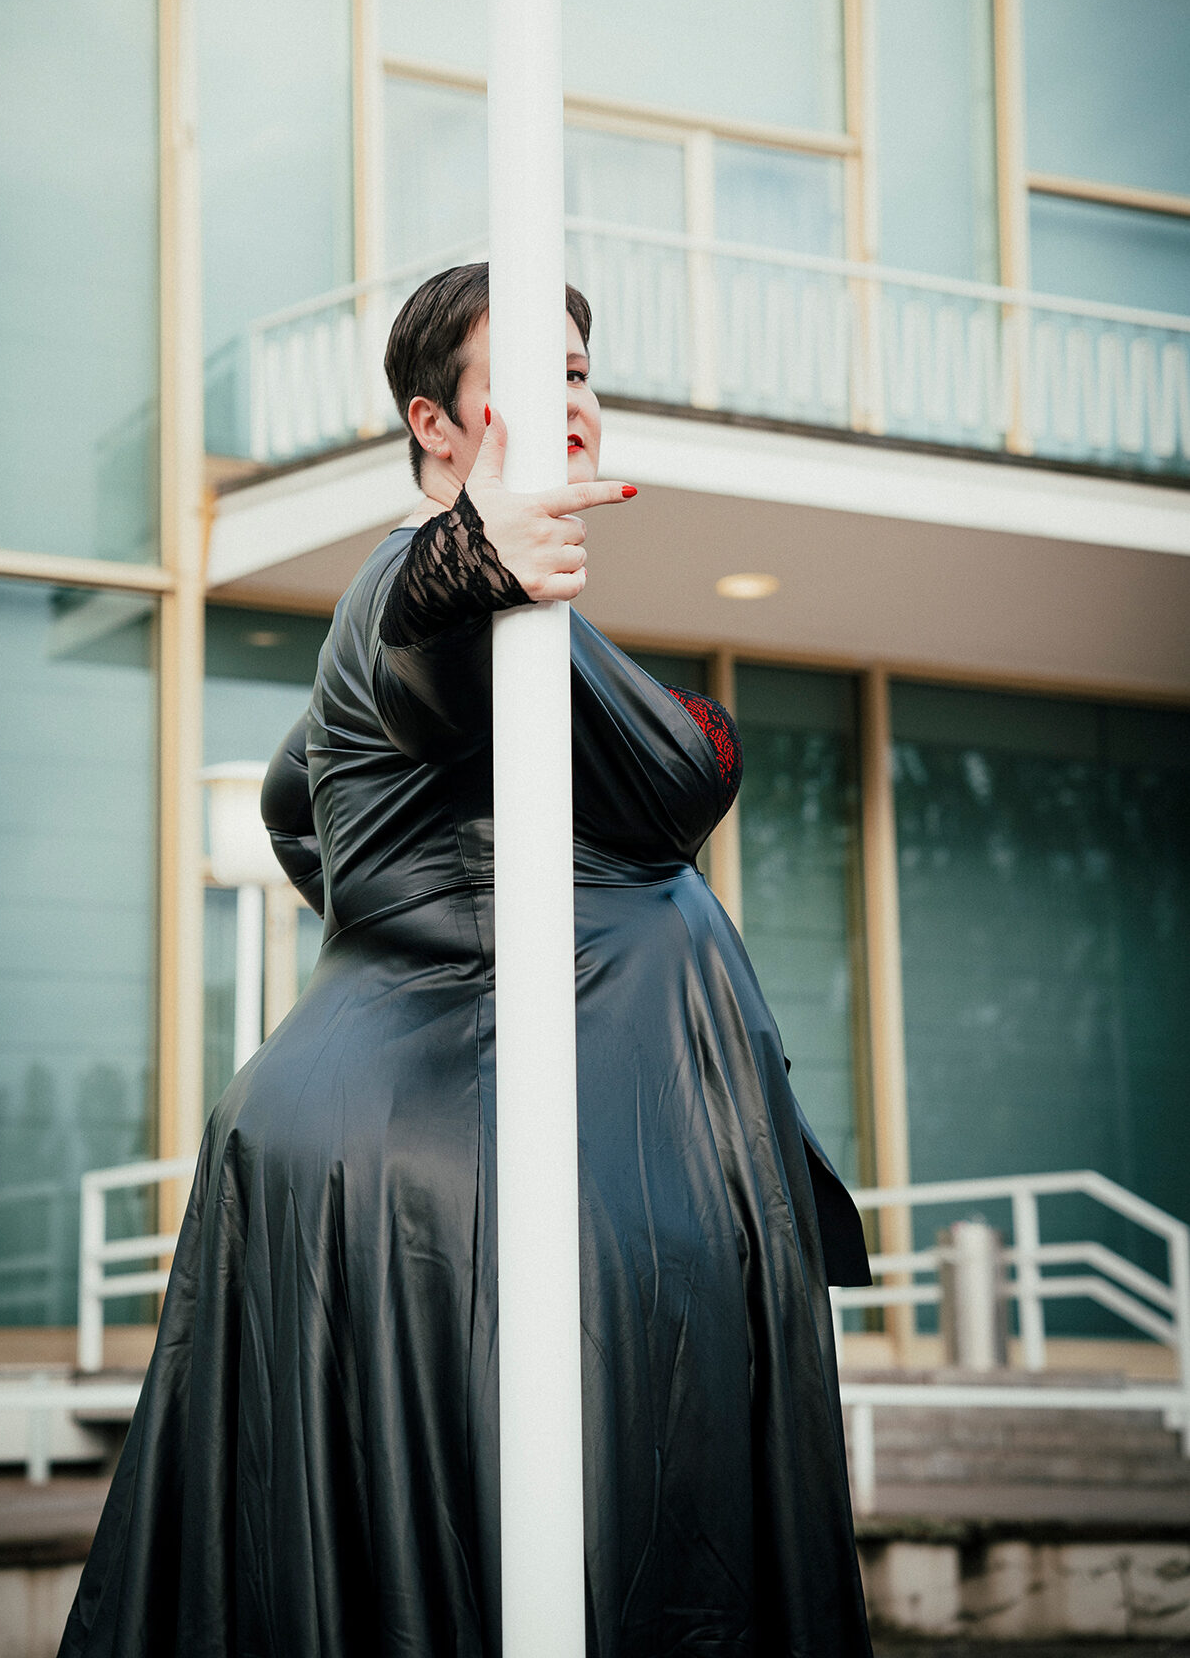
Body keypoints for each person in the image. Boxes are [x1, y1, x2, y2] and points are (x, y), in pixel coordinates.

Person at [59, 263, 873, 1658]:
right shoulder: (416, 587)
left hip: (472, 1141)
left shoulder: (493, 647)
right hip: (450, 1179)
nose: (569, 401)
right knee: (532, 1567)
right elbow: (421, 620)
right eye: (530, 374)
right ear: (435, 422)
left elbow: (292, 804)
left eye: (579, 372)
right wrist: (473, 552)